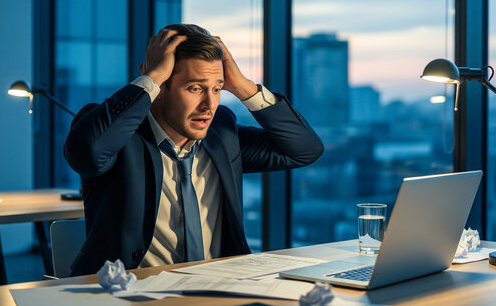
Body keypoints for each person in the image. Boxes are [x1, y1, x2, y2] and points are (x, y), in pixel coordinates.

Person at [64, 24, 323, 276]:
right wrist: (151, 77)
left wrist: (243, 86)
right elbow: (88, 152)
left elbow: (304, 149)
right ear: (161, 86)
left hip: (219, 290)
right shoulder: (119, 136)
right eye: (195, 88)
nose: (209, 105)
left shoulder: (221, 133)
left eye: (217, 89)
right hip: (126, 294)